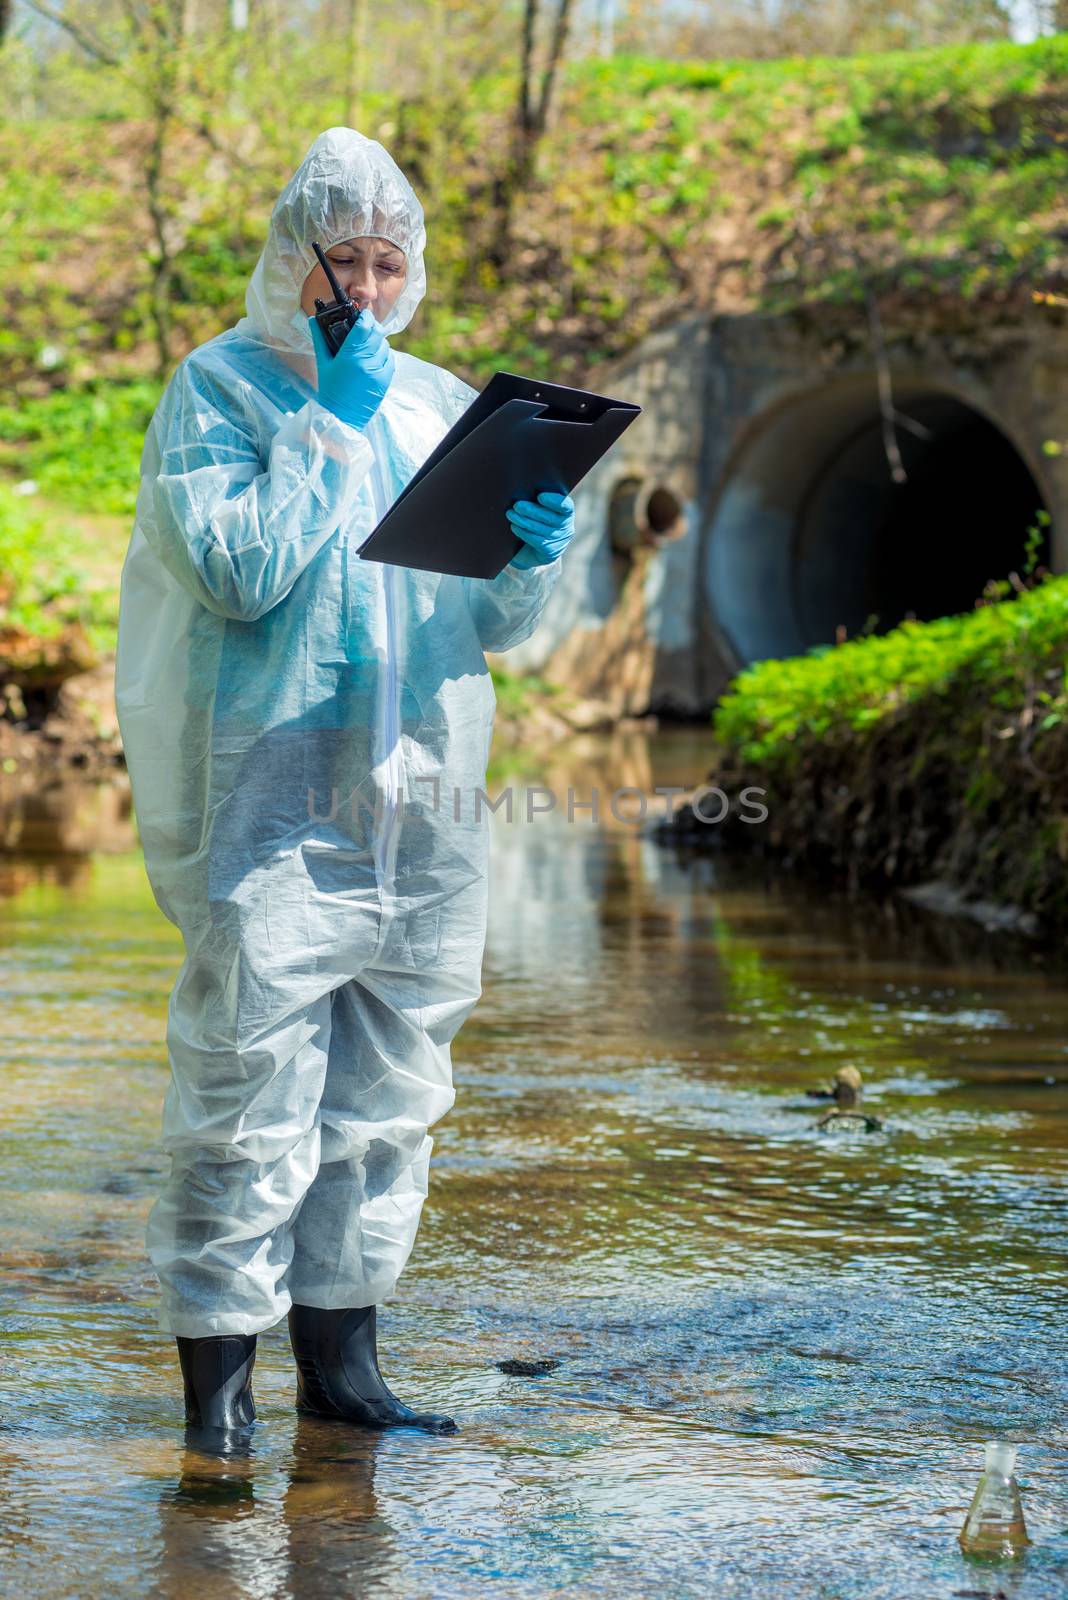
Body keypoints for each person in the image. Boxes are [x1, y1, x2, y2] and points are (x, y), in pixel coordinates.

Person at [114, 127, 575, 1449]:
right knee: (244, 1092)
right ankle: (219, 1397)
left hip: (419, 804)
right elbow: (242, 570)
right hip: (270, 803)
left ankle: (346, 1372)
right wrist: (330, 418)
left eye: (388, 262)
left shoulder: (441, 404)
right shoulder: (218, 393)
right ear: (291, 263)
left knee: (390, 1098)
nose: (367, 290)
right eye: (344, 264)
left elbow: (486, 627)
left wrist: (529, 555)